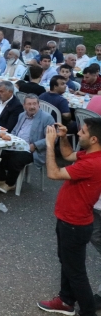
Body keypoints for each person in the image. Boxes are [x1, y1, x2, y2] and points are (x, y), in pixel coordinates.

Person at [36, 118, 101, 315]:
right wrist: (63, 139)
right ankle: (65, 300)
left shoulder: (93, 163)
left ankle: (88, 311)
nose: (78, 133)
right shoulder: (90, 154)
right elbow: (68, 154)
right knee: (67, 262)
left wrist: (49, 145)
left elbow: (54, 173)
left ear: (94, 139)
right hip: (69, 219)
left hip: (75, 223)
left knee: (76, 272)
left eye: (82, 132)